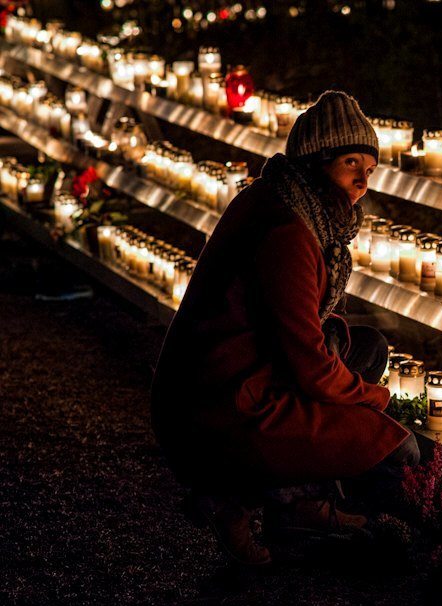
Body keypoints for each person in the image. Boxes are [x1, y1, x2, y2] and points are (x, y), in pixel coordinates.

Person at [150, 91, 418, 565]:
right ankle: (238, 496)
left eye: (370, 169)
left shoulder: (285, 200)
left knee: (368, 348)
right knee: (401, 450)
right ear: (316, 162)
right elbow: (309, 364)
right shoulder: (289, 231)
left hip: (242, 372)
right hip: (222, 402)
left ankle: (296, 502)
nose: (362, 181)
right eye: (351, 163)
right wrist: (374, 401)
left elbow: (301, 328)